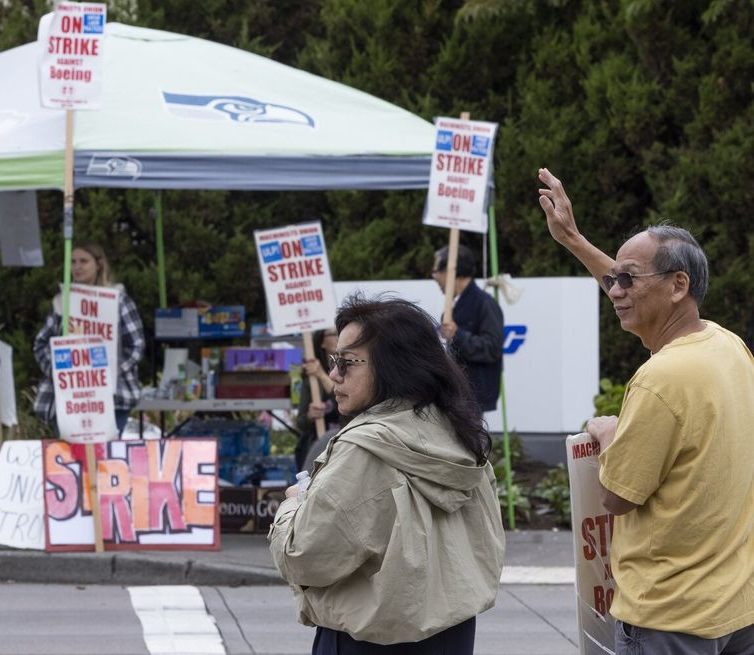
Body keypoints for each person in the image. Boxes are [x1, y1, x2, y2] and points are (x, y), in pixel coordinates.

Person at [539, 167, 754, 652]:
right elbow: (632, 292)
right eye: (614, 279)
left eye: (629, 280)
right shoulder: (727, 346)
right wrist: (573, 239)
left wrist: (609, 436)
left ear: (678, 285)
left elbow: (619, 497)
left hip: (670, 616)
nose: (615, 290)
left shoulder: (660, 379)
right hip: (737, 608)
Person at [268, 296, 504, 653]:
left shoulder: (365, 449)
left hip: (368, 640)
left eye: (347, 362)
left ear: (393, 366)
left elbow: (305, 558)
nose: (334, 374)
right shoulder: (456, 431)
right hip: (451, 635)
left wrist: (293, 505)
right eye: (334, 361)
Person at [33, 241, 145, 435]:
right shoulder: (62, 301)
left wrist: (110, 371)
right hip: (69, 399)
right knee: (71, 461)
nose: (77, 267)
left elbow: (136, 344)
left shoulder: (117, 299)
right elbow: (41, 343)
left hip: (113, 398)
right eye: (73, 262)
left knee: (106, 460)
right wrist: (57, 370)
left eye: (83, 261)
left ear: (99, 264)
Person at [430, 245, 504, 413]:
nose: (434, 277)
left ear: (452, 271)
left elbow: (492, 348)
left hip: (473, 394)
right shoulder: (452, 308)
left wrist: (458, 335)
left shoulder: (485, 304)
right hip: (456, 392)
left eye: (436, 271)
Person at [295, 328, 341, 473]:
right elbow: (301, 422)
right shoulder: (311, 380)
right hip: (318, 450)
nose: (338, 337)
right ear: (322, 342)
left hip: (342, 448)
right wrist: (310, 415)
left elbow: (342, 400)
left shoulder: (350, 371)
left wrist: (321, 374)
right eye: (333, 334)